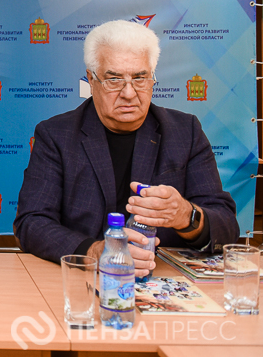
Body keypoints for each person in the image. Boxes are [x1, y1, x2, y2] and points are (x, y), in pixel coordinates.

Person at [14, 20, 239, 274]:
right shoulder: (56, 135)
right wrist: (95, 252)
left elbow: (226, 227)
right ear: (91, 79)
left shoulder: (185, 132)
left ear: (152, 78)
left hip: (161, 276)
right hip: (83, 278)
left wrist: (186, 215)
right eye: (114, 79)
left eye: (140, 78)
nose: (129, 93)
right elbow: (31, 222)